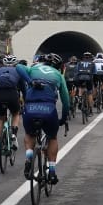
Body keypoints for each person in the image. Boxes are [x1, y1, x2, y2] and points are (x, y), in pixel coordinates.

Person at [23, 54, 71, 185]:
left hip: (30, 108)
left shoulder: (33, 69)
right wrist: (64, 118)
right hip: (49, 110)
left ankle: (29, 157)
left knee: (29, 134)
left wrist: (30, 81)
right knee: (52, 137)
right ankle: (52, 171)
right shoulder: (59, 75)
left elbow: (19, 67)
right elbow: (66, 101)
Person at [0, 54, 30, 143]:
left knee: (1, 117)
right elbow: (23, 89)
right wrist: (26, 101)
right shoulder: (17, 71)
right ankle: (13, 134)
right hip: (11, 94)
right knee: (15, 113)